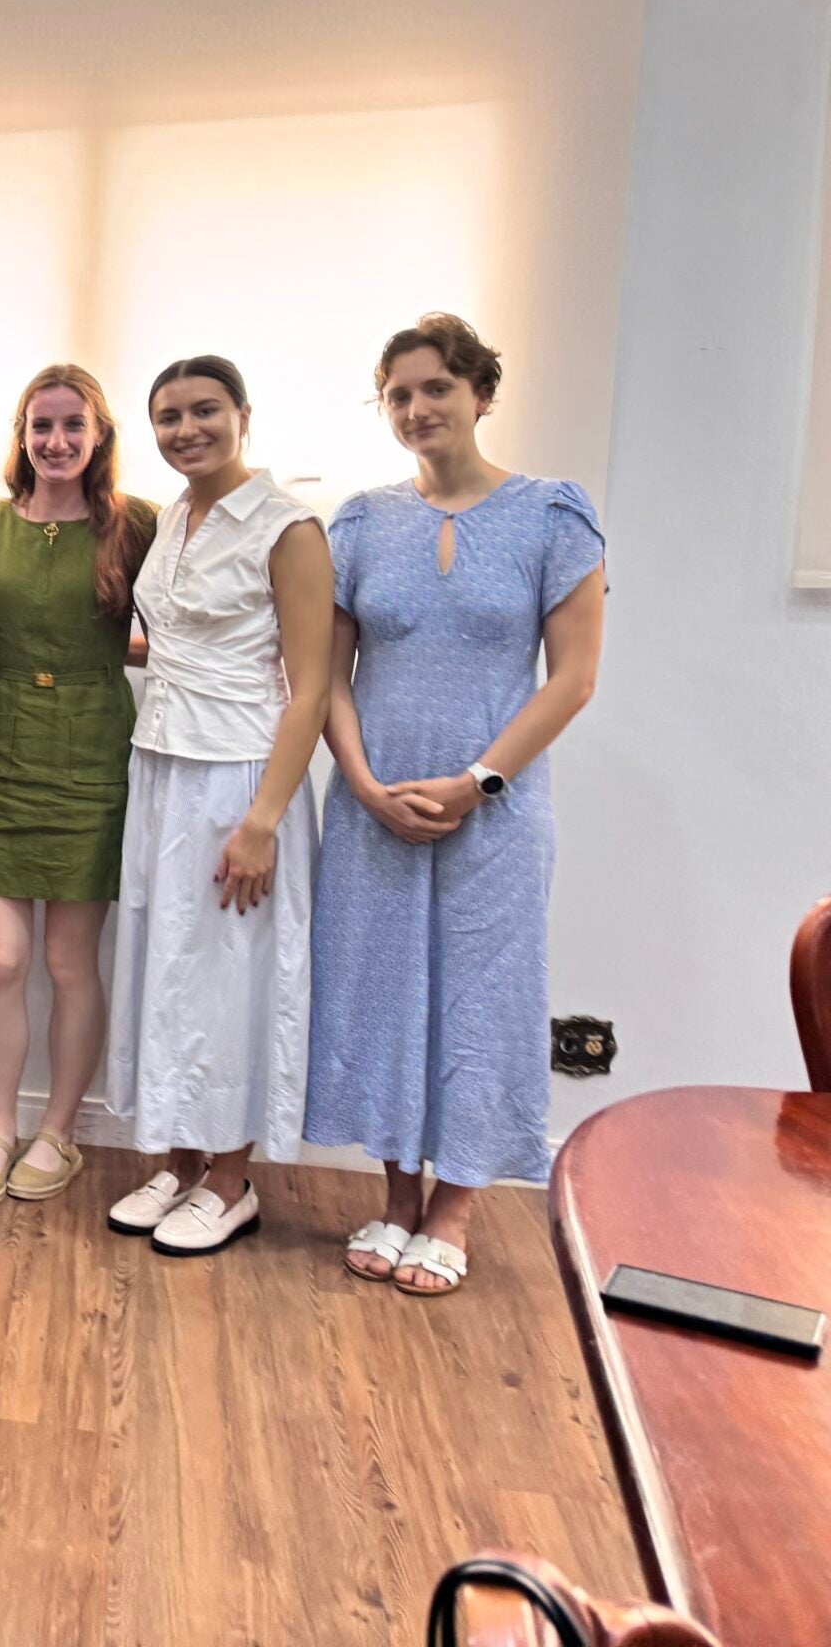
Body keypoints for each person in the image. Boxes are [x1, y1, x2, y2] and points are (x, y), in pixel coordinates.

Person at [307, 314, 605, 1296]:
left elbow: (570, 679)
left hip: (495, 811)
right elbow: (327, 675)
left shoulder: (552, 518)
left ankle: (457, 1206)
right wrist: (358, 783)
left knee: (482, 996)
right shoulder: (357, 524)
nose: (416, 408)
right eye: (397, 394)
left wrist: (478, 782)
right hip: (374, 805)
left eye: (435, 388)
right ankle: (396, 1196)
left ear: (480, 393)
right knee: (380, 990)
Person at [101, 358, 333, 1255]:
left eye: (204, 411)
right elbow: (177, 645)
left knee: (235, 975)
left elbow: (309, 689)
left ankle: (233, 1179)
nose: (185, 429)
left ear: (243, 415)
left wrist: (263, 822)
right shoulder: (175, 519)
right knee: (172, 967)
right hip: (161, 766)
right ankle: (184, 1156)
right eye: (168, 416)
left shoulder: (287, 527)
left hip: (240, 776)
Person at [0, 366, 159, 1209]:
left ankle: (59, 1131)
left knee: (72, 959)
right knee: (1, 958)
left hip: (97, 752)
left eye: (75, 425)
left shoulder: (135, 523)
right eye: (42, 425)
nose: (57, 441)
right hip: (6, 751)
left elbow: (171, 629)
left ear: (100, 434)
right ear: (22, 433)